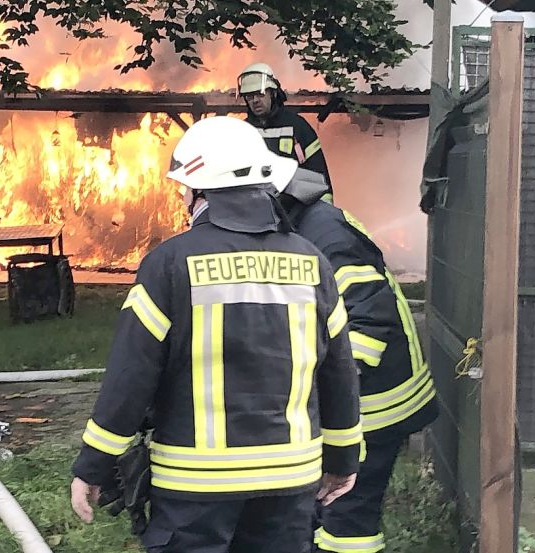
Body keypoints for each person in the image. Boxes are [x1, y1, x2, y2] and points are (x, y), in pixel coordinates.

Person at [70, 116, 364, 553]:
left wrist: (94, 465)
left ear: (196, 190)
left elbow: (131, 376)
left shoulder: (169, 263)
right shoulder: (312, 262)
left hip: (195, 486)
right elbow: (338, 372)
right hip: (290, 482)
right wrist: (341, 459)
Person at [277, 167, 439, 553]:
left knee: (348, 521)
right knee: (323, 509)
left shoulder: (325, 236)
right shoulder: (305, 225)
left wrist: (321, 392)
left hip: (374, 407)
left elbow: (369, 321)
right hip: (360, 406)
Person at [238, 62, 334, 202]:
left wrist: (325, 214)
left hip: (294, 209)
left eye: (260, 94)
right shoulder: (243, 132)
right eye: (249, 96)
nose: (255, 101)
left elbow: (319, 175)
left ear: (273, 93)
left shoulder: (297, 127)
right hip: (254, 210)